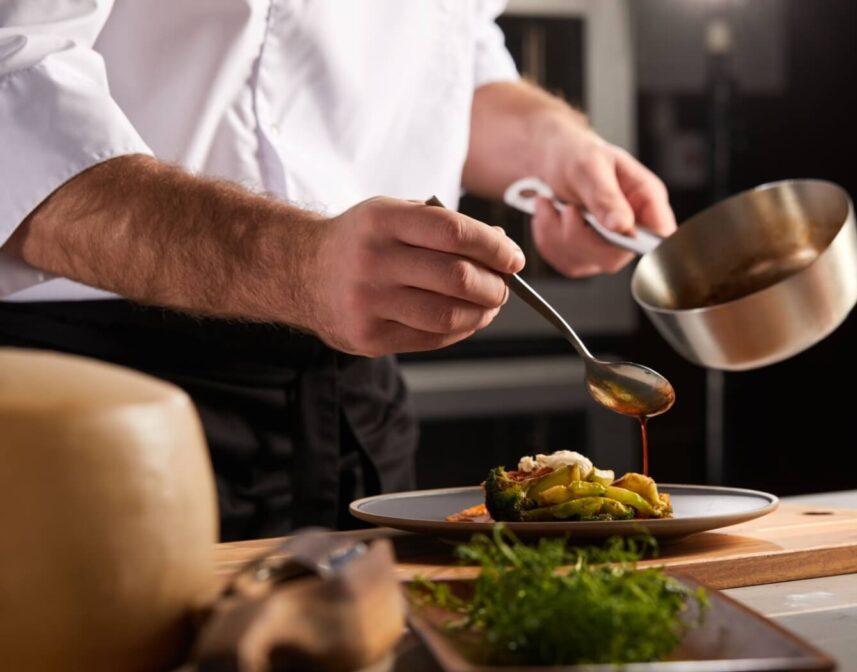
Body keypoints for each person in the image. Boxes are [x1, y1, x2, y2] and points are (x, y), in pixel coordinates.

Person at [0, 1, 676, 540]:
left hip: (357, 401)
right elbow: (14, 87)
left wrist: (554, 146)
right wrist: (292, 263)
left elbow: (450, 57)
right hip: (100, 401)